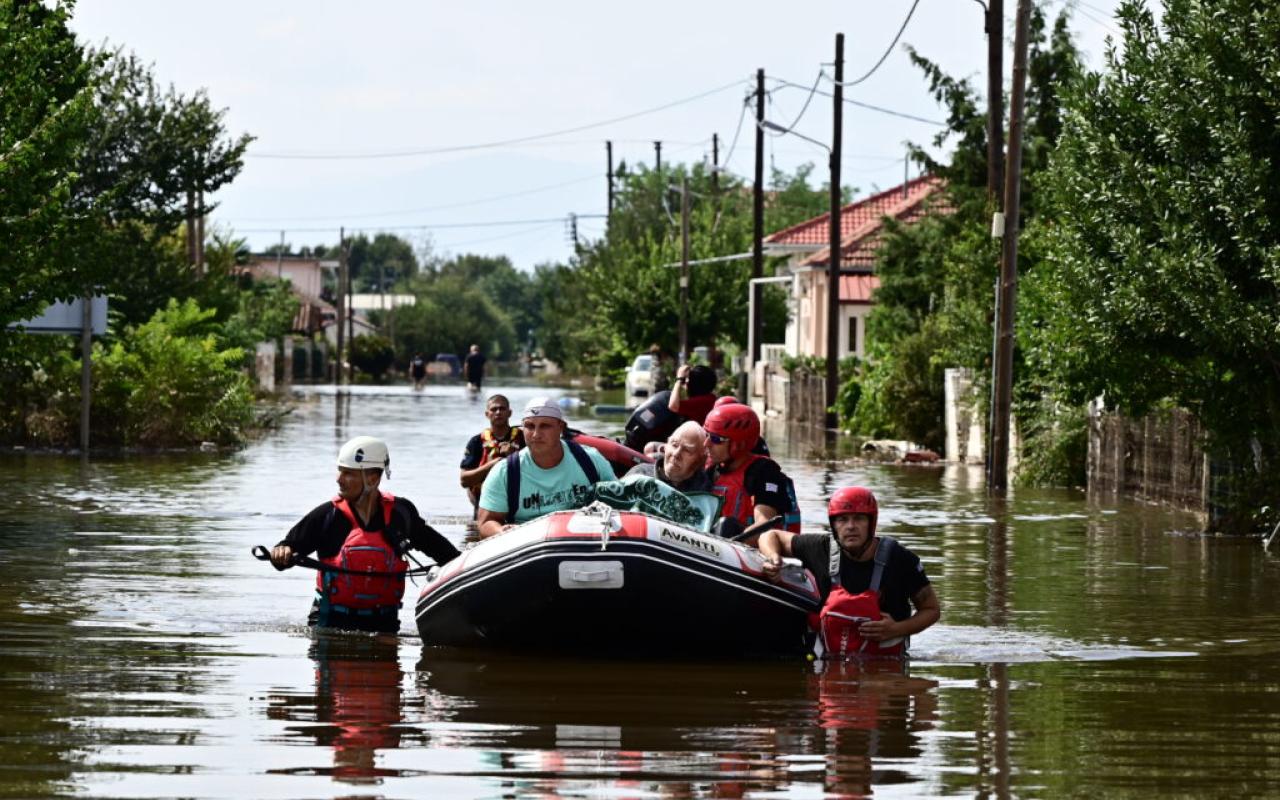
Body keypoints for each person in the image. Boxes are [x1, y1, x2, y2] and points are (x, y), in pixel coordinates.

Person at [270, 436, 461, 633]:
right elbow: (287, 548)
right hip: (330, 621)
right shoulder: (327, 515)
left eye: (348, 473)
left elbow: (445, 554)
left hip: (384, 623)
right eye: (340, 471)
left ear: (372, 478)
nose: (338, 479)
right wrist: (281, 552)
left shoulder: (400, 514)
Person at [758, 487, 939, 658]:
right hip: (828, 665)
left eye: (859, 518)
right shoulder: (820, 548)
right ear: (834, 525)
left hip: (885, 671)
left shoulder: (901, 560)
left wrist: (896, 629)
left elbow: (932, 610)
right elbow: (770, 536)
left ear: (871, 523)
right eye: (842, 519)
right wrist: (773, 558)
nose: (851, 526)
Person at [476, 397, 613, 538]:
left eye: (545, 426)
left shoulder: (591, 459)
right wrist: (502, 531)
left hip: (586, 540)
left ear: (561, 427)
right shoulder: (504, 472)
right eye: (529, 426)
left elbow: (619, 504)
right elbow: (485, 522)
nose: (536, 434)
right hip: (528, 546)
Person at [703, 403, 797, 537]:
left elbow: (764, 524)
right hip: (714, 542)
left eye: (716, 439)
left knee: (726, 527)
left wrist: (727, 543)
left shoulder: (764, 472)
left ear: (739, 444)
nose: (706, 443)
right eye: (706, 434)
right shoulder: (712, 469)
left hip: (747, 548)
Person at [459, 394, 524, 508]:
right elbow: (464, 481)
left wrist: (514, 457)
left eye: (502, 409)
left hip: (518, 500)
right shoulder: (476, 441)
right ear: (487, 414)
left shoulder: (523, 438)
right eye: (494, 409)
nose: (498, 412)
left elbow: (538, 472)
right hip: (485, 502)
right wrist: (491, 465)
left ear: (510, 413)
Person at [625, 420, 715, 493]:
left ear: (700, 459)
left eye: (687, 450)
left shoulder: (704, 490)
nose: (676, 454)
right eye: (674, 445)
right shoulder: (639, 475)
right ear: (666, 446)